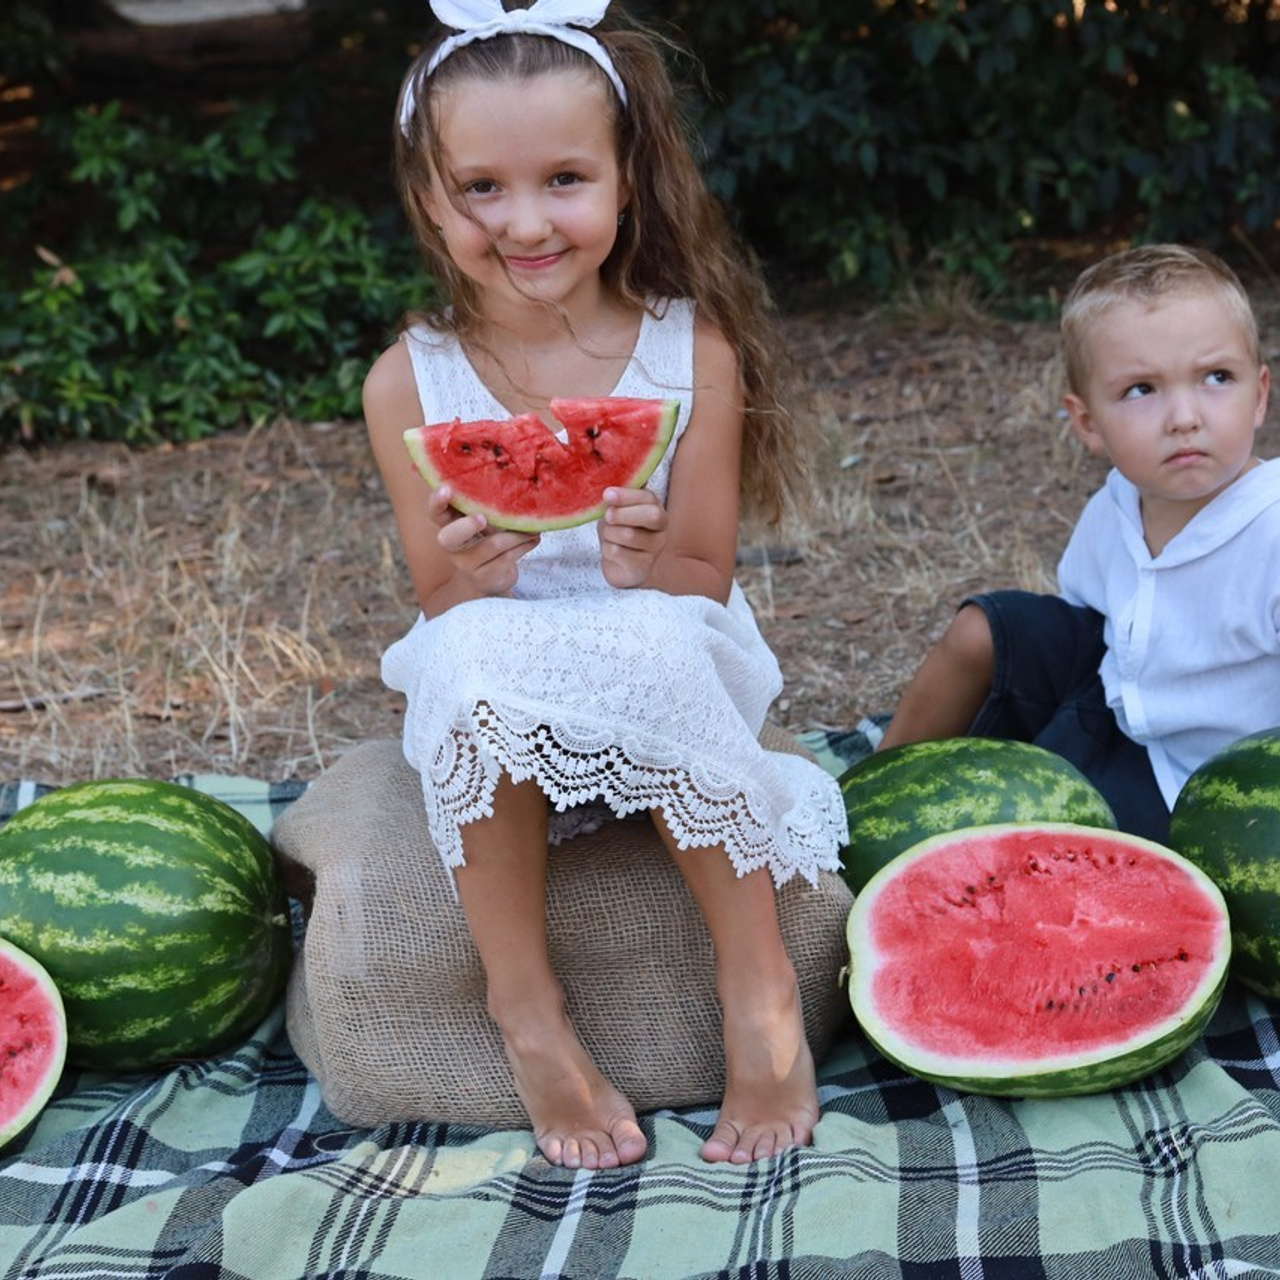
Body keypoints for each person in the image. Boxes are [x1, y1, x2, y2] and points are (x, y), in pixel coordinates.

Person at [362, 0, 847, 1171]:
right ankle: (526, 1013)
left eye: (564, 179)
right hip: (501, 673)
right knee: (473, 663)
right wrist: (478, 574)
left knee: (653, 634)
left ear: (627, 180)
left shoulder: (693, 352)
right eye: (479, 188)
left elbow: (700, 572)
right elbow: (443, 602)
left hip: (671, 648)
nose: (524, 221)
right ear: (427, 198)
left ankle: (758, 984)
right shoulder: (406, 382)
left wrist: (642, 561)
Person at [878, 242, 1280, 843]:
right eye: (1142, 389)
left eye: (1216, 378)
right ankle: (871, 795)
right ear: (1088, 422)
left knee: (1057, 844)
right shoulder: (1115, 504)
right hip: (1114, 703)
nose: (1184, 417)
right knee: (984, 629)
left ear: (1260, 395)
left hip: (1202, 784)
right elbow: (1083, 623)